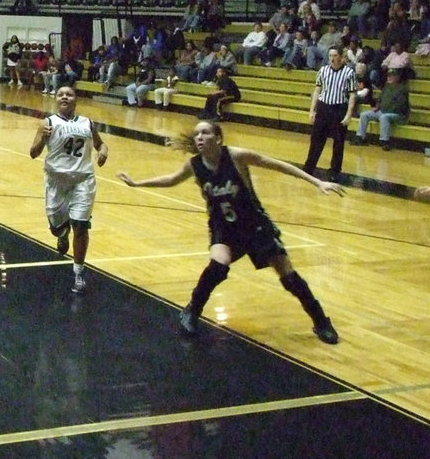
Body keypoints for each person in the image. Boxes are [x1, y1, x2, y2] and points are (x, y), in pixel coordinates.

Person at [116, 121, 343, 344]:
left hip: (254, 224)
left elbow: (277, 164)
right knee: (218, 265)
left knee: (288, 275)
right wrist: (137, 184)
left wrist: (316, 182)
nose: (199, 138)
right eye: (197, 134)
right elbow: (172, 179)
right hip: (223, 227)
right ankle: (192, 310)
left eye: (205, 133)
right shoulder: (194, 165)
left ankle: (321, 321)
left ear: (218, 138)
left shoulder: (236, 156)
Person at [29, 86, 108, 294]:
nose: (65, 96)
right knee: (57, 226)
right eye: (61, 94)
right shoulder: (48, 123)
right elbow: (33, 153)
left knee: (81, 226)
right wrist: (43, 137)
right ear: (56, 99)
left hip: (83, 180)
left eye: (69, 94)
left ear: (75, 99)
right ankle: (61, 233)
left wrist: (103, 152)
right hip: (56, 181)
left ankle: (79, 272)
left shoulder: (87, 123)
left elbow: (101, 144)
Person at [303, 47, 357, 180]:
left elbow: (352, 95)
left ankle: (335, 171)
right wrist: (312, 111)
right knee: (316, 139)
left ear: (341, 57)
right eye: (330, 56)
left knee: (338, 142)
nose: (332, 58)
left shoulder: (349, 72)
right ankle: (309, 167)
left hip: (339, 108)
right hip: (323, 107)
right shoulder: (323, 70)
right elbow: (317, 90)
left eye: (335, 55)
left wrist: (349, 115)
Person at [353, 68, 410, 150]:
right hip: (383, 111)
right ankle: (360, 137)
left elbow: (401, 105)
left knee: (384, 117)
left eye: (391, 76)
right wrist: (377, 106)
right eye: (388, 76)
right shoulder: (386, 87)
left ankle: (385, 141)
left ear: (397, 77)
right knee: (364, 114)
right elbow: (380, 99)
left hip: (398, 114)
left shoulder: (403, 89)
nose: (389, 78)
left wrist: (384, 110)